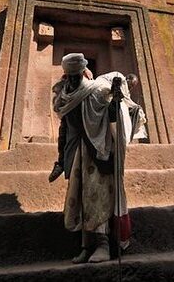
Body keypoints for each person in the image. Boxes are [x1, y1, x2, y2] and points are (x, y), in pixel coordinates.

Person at [52, 53, 146, 264]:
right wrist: (61, 160)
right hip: (78, 156)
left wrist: (116, 101)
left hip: (100, 153)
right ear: (66, 76)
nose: (74, 80)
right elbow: (65, 128)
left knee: (98, 198)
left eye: (77, 75)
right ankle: (86, 247)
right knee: (82, 201)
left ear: (84, 72)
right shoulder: (64, 98)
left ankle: (103, 246)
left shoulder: (98, 92)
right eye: (70, 76)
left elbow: (113, 119)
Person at [49, 71, 142, 182]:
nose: (129, 87)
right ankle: (61, 162)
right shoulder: (95, 86)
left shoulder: (103, 88)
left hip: (97, 135)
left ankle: (61, 163)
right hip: (88, 132)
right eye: (129, 85)